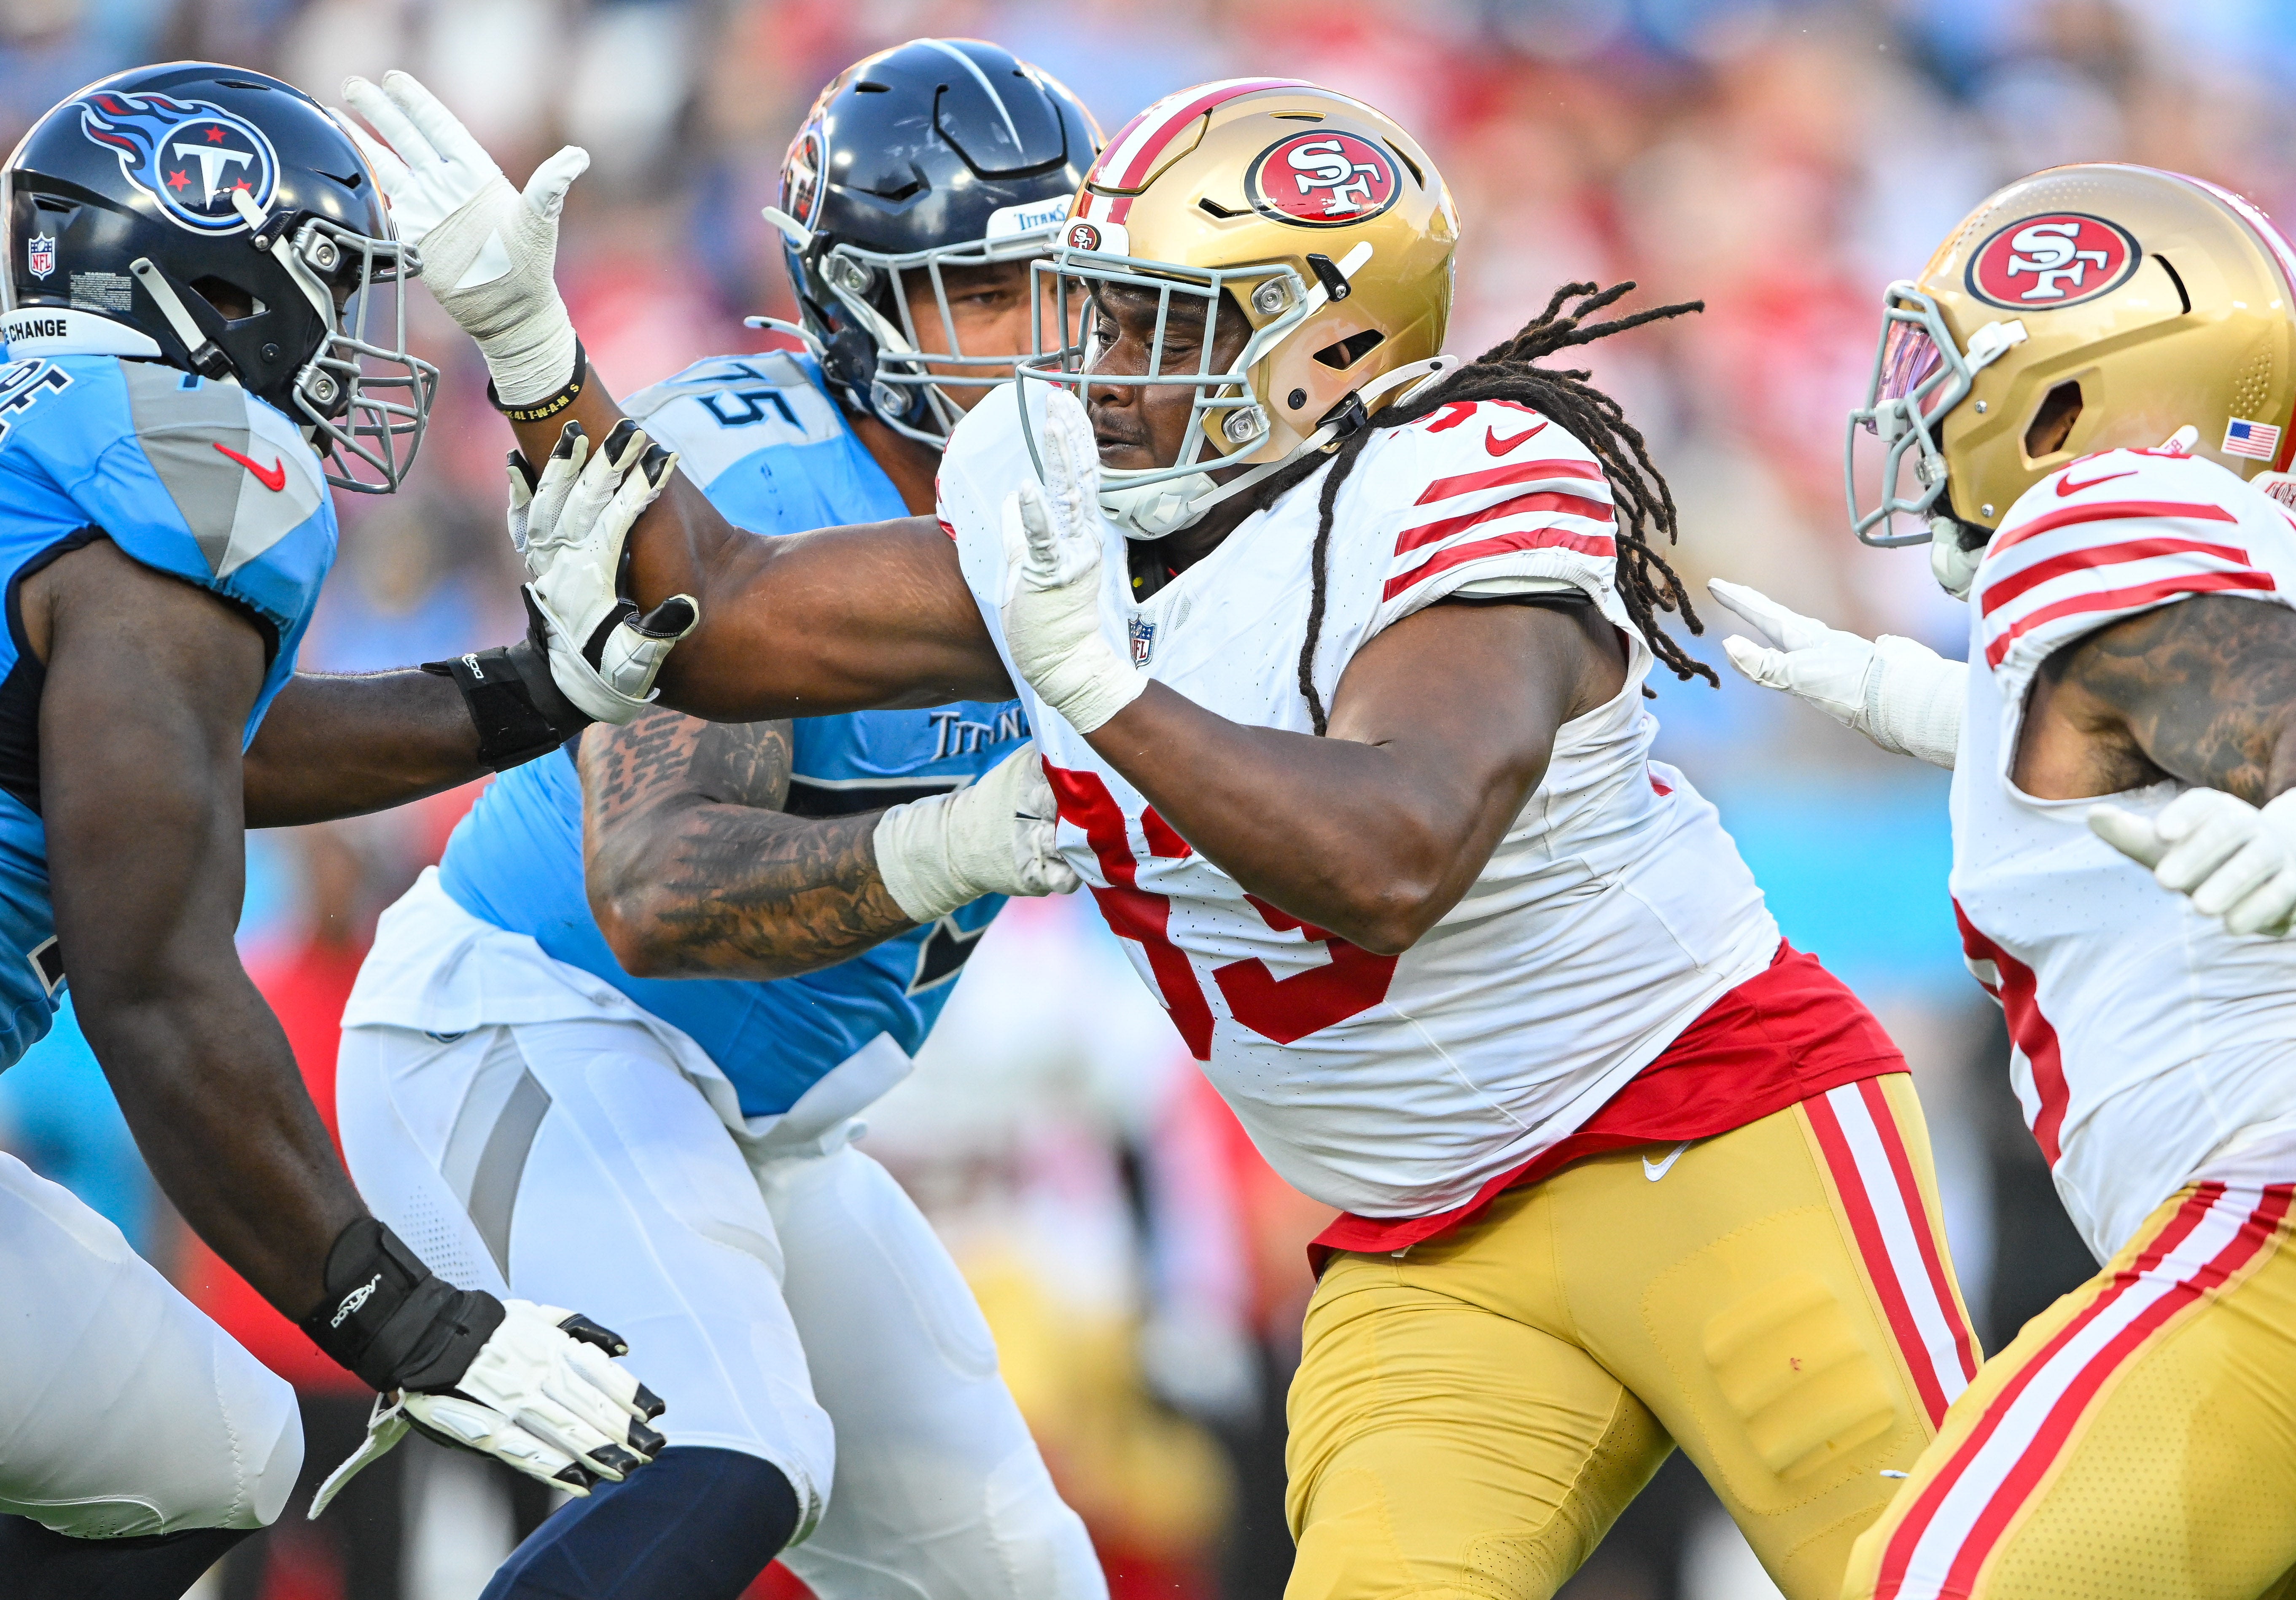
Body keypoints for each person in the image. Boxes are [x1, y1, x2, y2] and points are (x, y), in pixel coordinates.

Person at [363, 72, 1986, 1600]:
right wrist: (533, 357)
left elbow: (1390, 855)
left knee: (1965, 1569)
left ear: (1329, 351)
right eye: (1093, 308)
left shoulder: (1483, 474)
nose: (1088, 367)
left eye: (1152, 322)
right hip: (1421, 1235)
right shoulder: (1080, 528)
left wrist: (1101, 697)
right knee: (786, 1474)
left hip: (1695, 1129)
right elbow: (719, 611)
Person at [334, 43, 1107, 1600]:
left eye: (1065, 285)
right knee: (735, 1450)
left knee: (1018, 1576)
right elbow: (658, 884)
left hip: (774, 1122)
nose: (1042, 341)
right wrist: (950, 843)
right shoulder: (752, 468)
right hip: (533, 1025)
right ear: (857, 303)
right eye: (982, 290)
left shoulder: (1111, 479)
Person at [0, 64, 684, 1600]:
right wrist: (397, 1308)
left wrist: (526, 697)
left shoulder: (40, 445)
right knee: (218, 1454)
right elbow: (149, 974)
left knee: (209, 1444)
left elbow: (152, 752)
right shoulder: (176, 452)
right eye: (332, 291)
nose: (346, 347)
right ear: (221, 278)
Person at [1717, 161, 2296, 1598]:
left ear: (2066, 400)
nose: (1916, 412)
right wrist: (1935, 706)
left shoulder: (2095, 506)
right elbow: (2181, 702)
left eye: (1950, 369)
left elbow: (2281, 705)